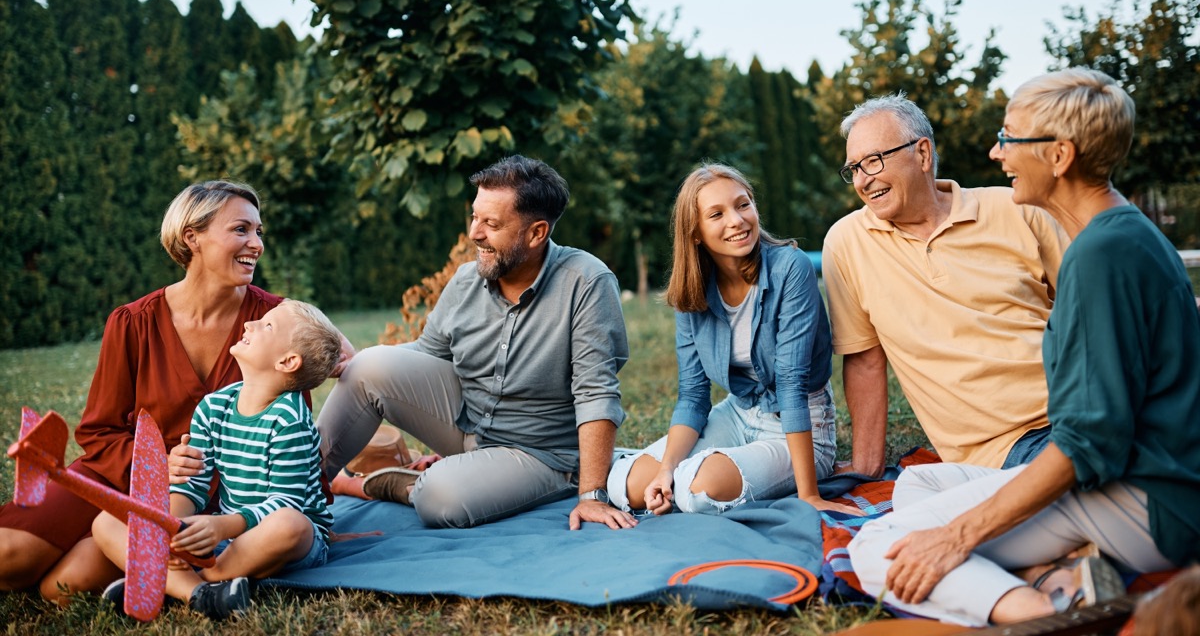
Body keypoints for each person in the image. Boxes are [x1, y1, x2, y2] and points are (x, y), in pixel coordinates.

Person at [846, 68, 1200, 626]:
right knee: (919, 483)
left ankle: (1051, 611)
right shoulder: (1122, 234)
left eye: (1009, 138)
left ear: (1059, 156)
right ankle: (1060, 578)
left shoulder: (1100, 256)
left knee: (876, 547)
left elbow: (1087, 444)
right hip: (1144, 478)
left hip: (1148, 500)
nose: (995, 152)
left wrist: (955, 537)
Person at [0, 181, 291, 601]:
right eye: (241, 230)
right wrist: (156, 465)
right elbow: (98, 431)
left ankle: (118, 546)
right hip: (118, 475)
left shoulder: (276, 321)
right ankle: (107, 535)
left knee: (62, 588)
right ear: (192, 237)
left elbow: (287, 432)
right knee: (9, 556)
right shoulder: (132, 322)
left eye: (258, 232)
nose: (256, 243)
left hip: (208, 501)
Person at [319, 155, 636, 530]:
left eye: (491, 223)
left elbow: (596, 394)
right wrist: (361, 362)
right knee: (367, 367)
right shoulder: (467, 279)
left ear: (537, 233)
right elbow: (428, 356)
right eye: (475, 217)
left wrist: (592, 495)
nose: (474, 233)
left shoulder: (587, 283)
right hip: (467, 424)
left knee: (441, 498)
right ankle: (291, 492)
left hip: (539, 454)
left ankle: (401, 485)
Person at [822, 95, 1070, 475]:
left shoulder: (1016, 208)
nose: (862, 179)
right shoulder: (847, 243)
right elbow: (865, 360)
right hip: (1010, 445)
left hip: (1086, 402)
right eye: (854, 168)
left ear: (922, 154)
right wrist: (866, 466)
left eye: (873, 161)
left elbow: (1090, 304)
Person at [606, 164, 860, 516]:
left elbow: (791, 382)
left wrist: (809, 495)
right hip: (737, 414)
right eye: (717, 214)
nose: (737, 220)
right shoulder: (692, 292)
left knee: (697, 490)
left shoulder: (791, 268)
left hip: (800, 427)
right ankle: (691, 468)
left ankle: (728, 470)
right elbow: (694, 397)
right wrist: (665, 471)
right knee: (632, 484)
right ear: (695, 232)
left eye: (743, 205)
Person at [93, 299, 342, 619]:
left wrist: (223, 525)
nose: (250, 325)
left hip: (290, 541)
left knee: (291, 525)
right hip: (229, 541)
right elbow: (192, 487)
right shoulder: (214, 407)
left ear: (287, 361)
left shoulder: (290, 419)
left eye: (267, 325)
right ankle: (200, 593)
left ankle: (176, 583)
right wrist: (172, 529)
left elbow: (286, 503)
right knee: (106, 521)